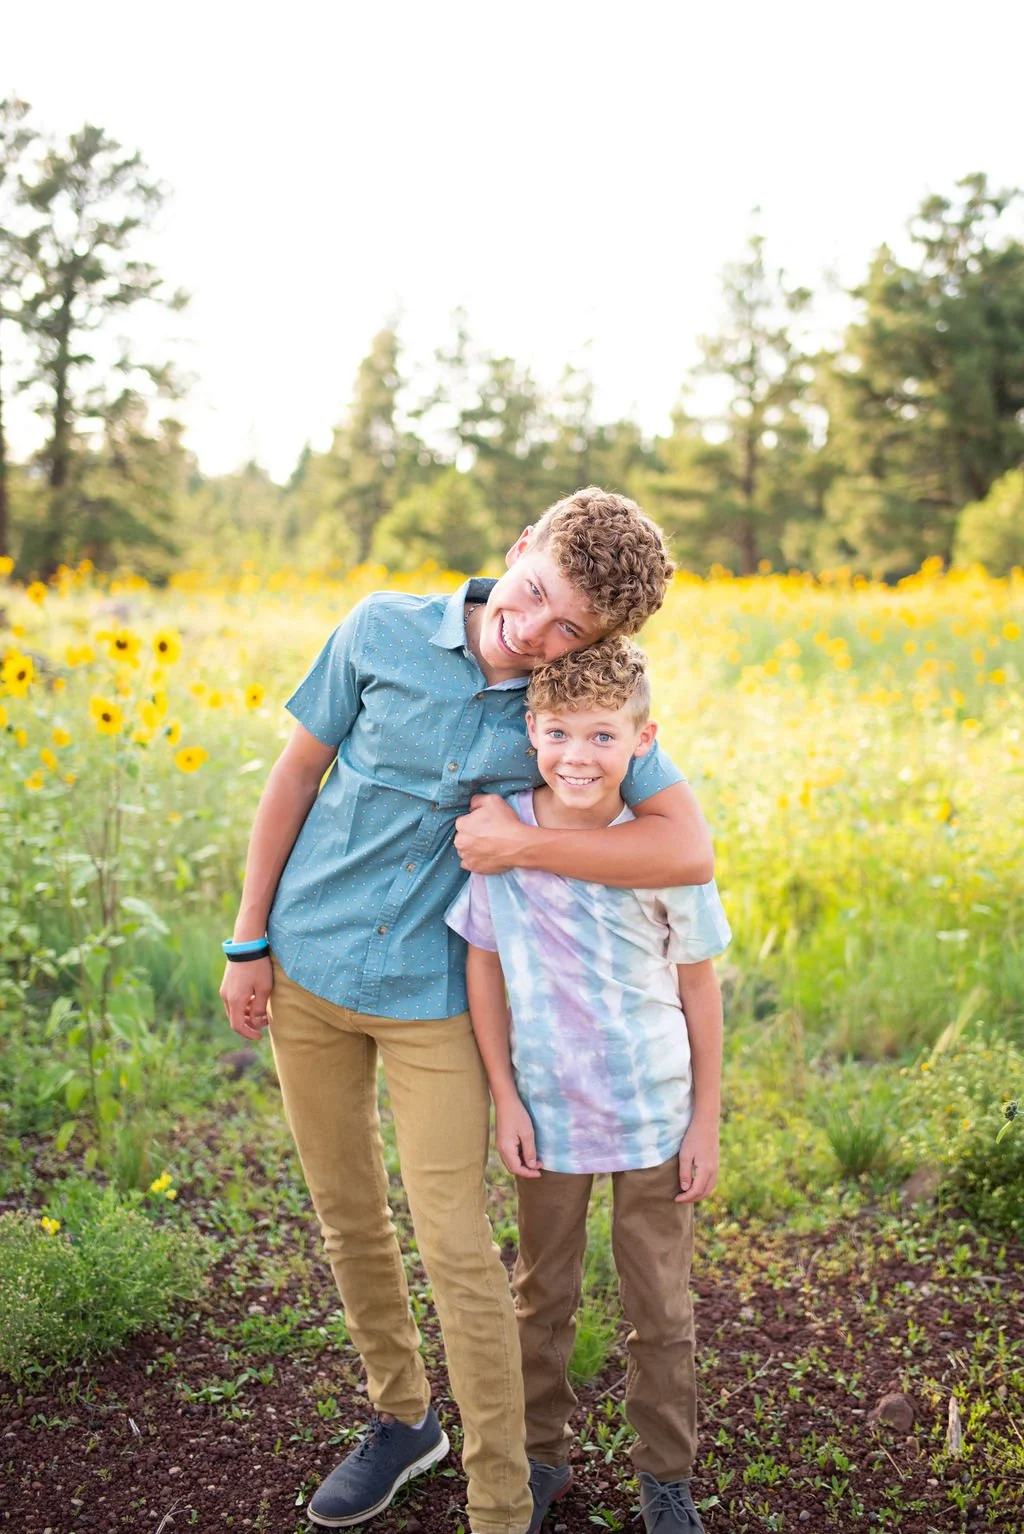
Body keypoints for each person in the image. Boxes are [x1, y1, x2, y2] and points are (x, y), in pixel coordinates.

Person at [219, 488, 714, 1534]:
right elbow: (296, 772)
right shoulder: (378, 629)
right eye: (533, 595)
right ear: (517, 545)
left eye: (568, 625)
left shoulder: (565, 699)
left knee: (452, 1240)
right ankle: (402, 1419)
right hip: (306, 965)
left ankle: (500, 1499)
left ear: (598, 640)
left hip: (435, 997)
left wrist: (522, 842)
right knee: (347, 1216)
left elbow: (683, 848)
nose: (532, 631)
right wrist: (248, 935)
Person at [445, 637, 730, 1534]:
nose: (578, 754)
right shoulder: (499, 837)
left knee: (660, 1303)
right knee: (542, 1295)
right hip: (550, 1114)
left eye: (603, 736)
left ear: (644, 741)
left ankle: (666, 1475)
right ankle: (539, 1461)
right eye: (559, 731)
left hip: (654, 1109)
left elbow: (697, 982)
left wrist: (706, 1120)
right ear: (531, 731)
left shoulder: (657, 851)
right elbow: (482, 968)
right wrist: (505, 1097)